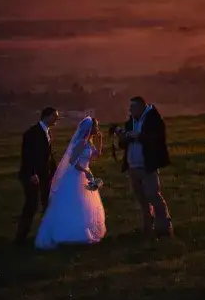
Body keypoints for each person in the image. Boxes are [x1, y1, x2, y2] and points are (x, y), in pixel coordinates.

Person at [34, 116, 108, 249]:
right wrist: (85, 171)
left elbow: (97, 154)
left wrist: (100, 139)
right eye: (96, 126)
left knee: (85, 204)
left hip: (85, 172)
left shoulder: (89, 143)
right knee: (76, 203)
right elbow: (73, 162)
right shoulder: (81, 143)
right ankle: (70, 233)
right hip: (76, 175)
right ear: (90, 128)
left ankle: (83, 231)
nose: (97, 128)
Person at [115, 96, 172, 237]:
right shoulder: (130, 122)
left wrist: (139, 136)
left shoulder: (154, 120)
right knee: (141, 199)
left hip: (148, 165)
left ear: (141, 107)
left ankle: (164, 228)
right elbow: (124, 145)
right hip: (133, 166)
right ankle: (147, 228)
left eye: (132, 107)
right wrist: (123, 138)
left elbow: (157, 139)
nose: (130, 110)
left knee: (153, 195)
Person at [15, 107, 59, 246]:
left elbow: (49, 156)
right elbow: (27, 155)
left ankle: (48, 235)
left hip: (45, 176)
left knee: (47, 204)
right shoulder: (32, 133)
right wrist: (31, 173)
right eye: (54, 116)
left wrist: (56, 172)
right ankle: (20, 238)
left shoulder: (48, 132)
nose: (56, 119)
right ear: (46, 116)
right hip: (32, 176)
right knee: (31, 205)